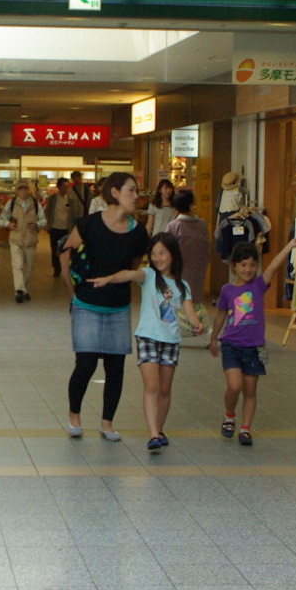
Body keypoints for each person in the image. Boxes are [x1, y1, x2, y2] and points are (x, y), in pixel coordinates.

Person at [90, 233, 203, 453]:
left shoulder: (182, 285)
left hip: (170, 341)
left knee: (165, 390)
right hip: (148, 337)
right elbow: (128, 274)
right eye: (153, 254)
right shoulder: (149, 276)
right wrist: (108, 279)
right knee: (152, 387)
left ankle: (159, 430)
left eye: (162, 253)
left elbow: (189, 310)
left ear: (173, 255)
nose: (157, 258)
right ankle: (153, 434)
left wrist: (196, 323)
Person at [59, 173, 151, 440]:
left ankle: (107, 423)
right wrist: (73, 292)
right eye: (131, 190)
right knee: (85, 364)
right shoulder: (89, 224)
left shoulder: (138, 232)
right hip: (86, 305)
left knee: (115, 368)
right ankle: (74, 415)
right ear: (114, 192)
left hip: (118, 307)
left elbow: (133, 267)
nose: (136, 196)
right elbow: (66, 256)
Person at [209, 234, 296, 446]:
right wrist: (213, 338)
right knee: (234, 386)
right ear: (234, 266)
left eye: (252, 265)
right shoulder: (227, 290)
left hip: (254, 347)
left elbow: (274, 265)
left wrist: (289, 247)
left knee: (250, 390)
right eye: (243, 265)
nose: (248, 269)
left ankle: (245, 428)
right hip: (231, 345)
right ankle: (229, 414)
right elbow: (221, 315)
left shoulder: (259, 285)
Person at [0, 180, 43, 302]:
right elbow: (1, 219)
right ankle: (19, 290)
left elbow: (43, 219)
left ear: (29, 190)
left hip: (30, 239)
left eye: (25, 189)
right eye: (20, 189)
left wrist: (37, 224)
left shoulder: (35, 203)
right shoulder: (12, 203)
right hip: (16, 239)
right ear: (17, 191)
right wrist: (8, 224)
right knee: (17, 265)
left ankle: (25, 289)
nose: (23, 191)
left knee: (29, 266)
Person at [167, 188, 212, 301]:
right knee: (195, 300)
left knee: (179, 300)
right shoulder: (202, 224)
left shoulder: (174, 226)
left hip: (179, 271)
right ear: (192, 204)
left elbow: (166, 249)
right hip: (198, 270)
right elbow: (207, 249)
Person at [43, 177, 85, 277]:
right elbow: (47, 211)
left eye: (67, 186)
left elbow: (76, 213)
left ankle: (66, 268)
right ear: (58, 187)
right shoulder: (53, 198)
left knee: (67, 249)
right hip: (55, 227)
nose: (66, 189)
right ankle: (56, 268)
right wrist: (48, 223)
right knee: (55, 249)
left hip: (67, 228)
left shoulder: (72, 199)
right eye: (63, 186)